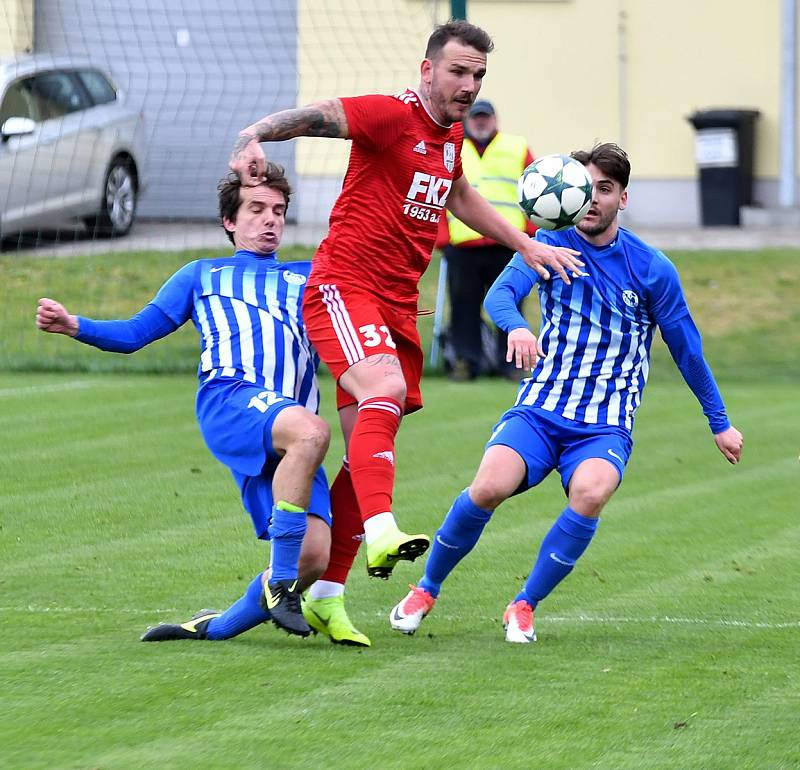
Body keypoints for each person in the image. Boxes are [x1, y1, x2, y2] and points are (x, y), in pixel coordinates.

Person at [229, 20, 585, 588]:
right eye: (458, 72)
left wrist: (524, 241)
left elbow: (459, 194)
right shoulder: (393, 114)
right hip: (345, 288)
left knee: (370, 441)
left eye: (478, 75)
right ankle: (382, 528)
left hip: (396, 302)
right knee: (385, 390)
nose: (469, 85)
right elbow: (323, 114)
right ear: (427, 70)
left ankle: (327, 589)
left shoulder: (448, 139)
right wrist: (256, 133)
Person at [389, 142, 744, 643]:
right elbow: (501, 295)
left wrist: (719, 421)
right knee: (488, 486)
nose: (594, 199)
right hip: (541, 408)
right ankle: (425, 589)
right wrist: (515, 328)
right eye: (587, 188)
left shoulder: (651, 268)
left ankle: (524, 605)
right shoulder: (548, 243)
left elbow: (687, 350)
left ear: (622, 198)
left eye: (605, 189)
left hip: (604, 421)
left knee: (592, 492)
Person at [36, 164, 369, 646]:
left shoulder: (312, 278)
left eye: (278, 210)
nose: (269, 219)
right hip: (232, 400)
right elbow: (134, 335)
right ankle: (279, 585)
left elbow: (364, 289)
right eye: (256, 209)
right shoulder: (201, 274)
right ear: (230, 221)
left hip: (289, 428)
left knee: (314, 557)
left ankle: (215, 628)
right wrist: (75, 325)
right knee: (314, 432)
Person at [437, 98, 536, 381]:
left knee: (511, 303)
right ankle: (467, 362)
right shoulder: (451, 145)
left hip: (506, 243)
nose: (481, 122)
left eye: (486, 117)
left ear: (495, 120)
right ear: (468, 120)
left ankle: (513, 363)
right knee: (463, 306)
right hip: (463, 243)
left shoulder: (516, 147)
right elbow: (439, 192)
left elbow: (534, 192)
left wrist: (527, 234)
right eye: (476, 117)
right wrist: (443, 239)